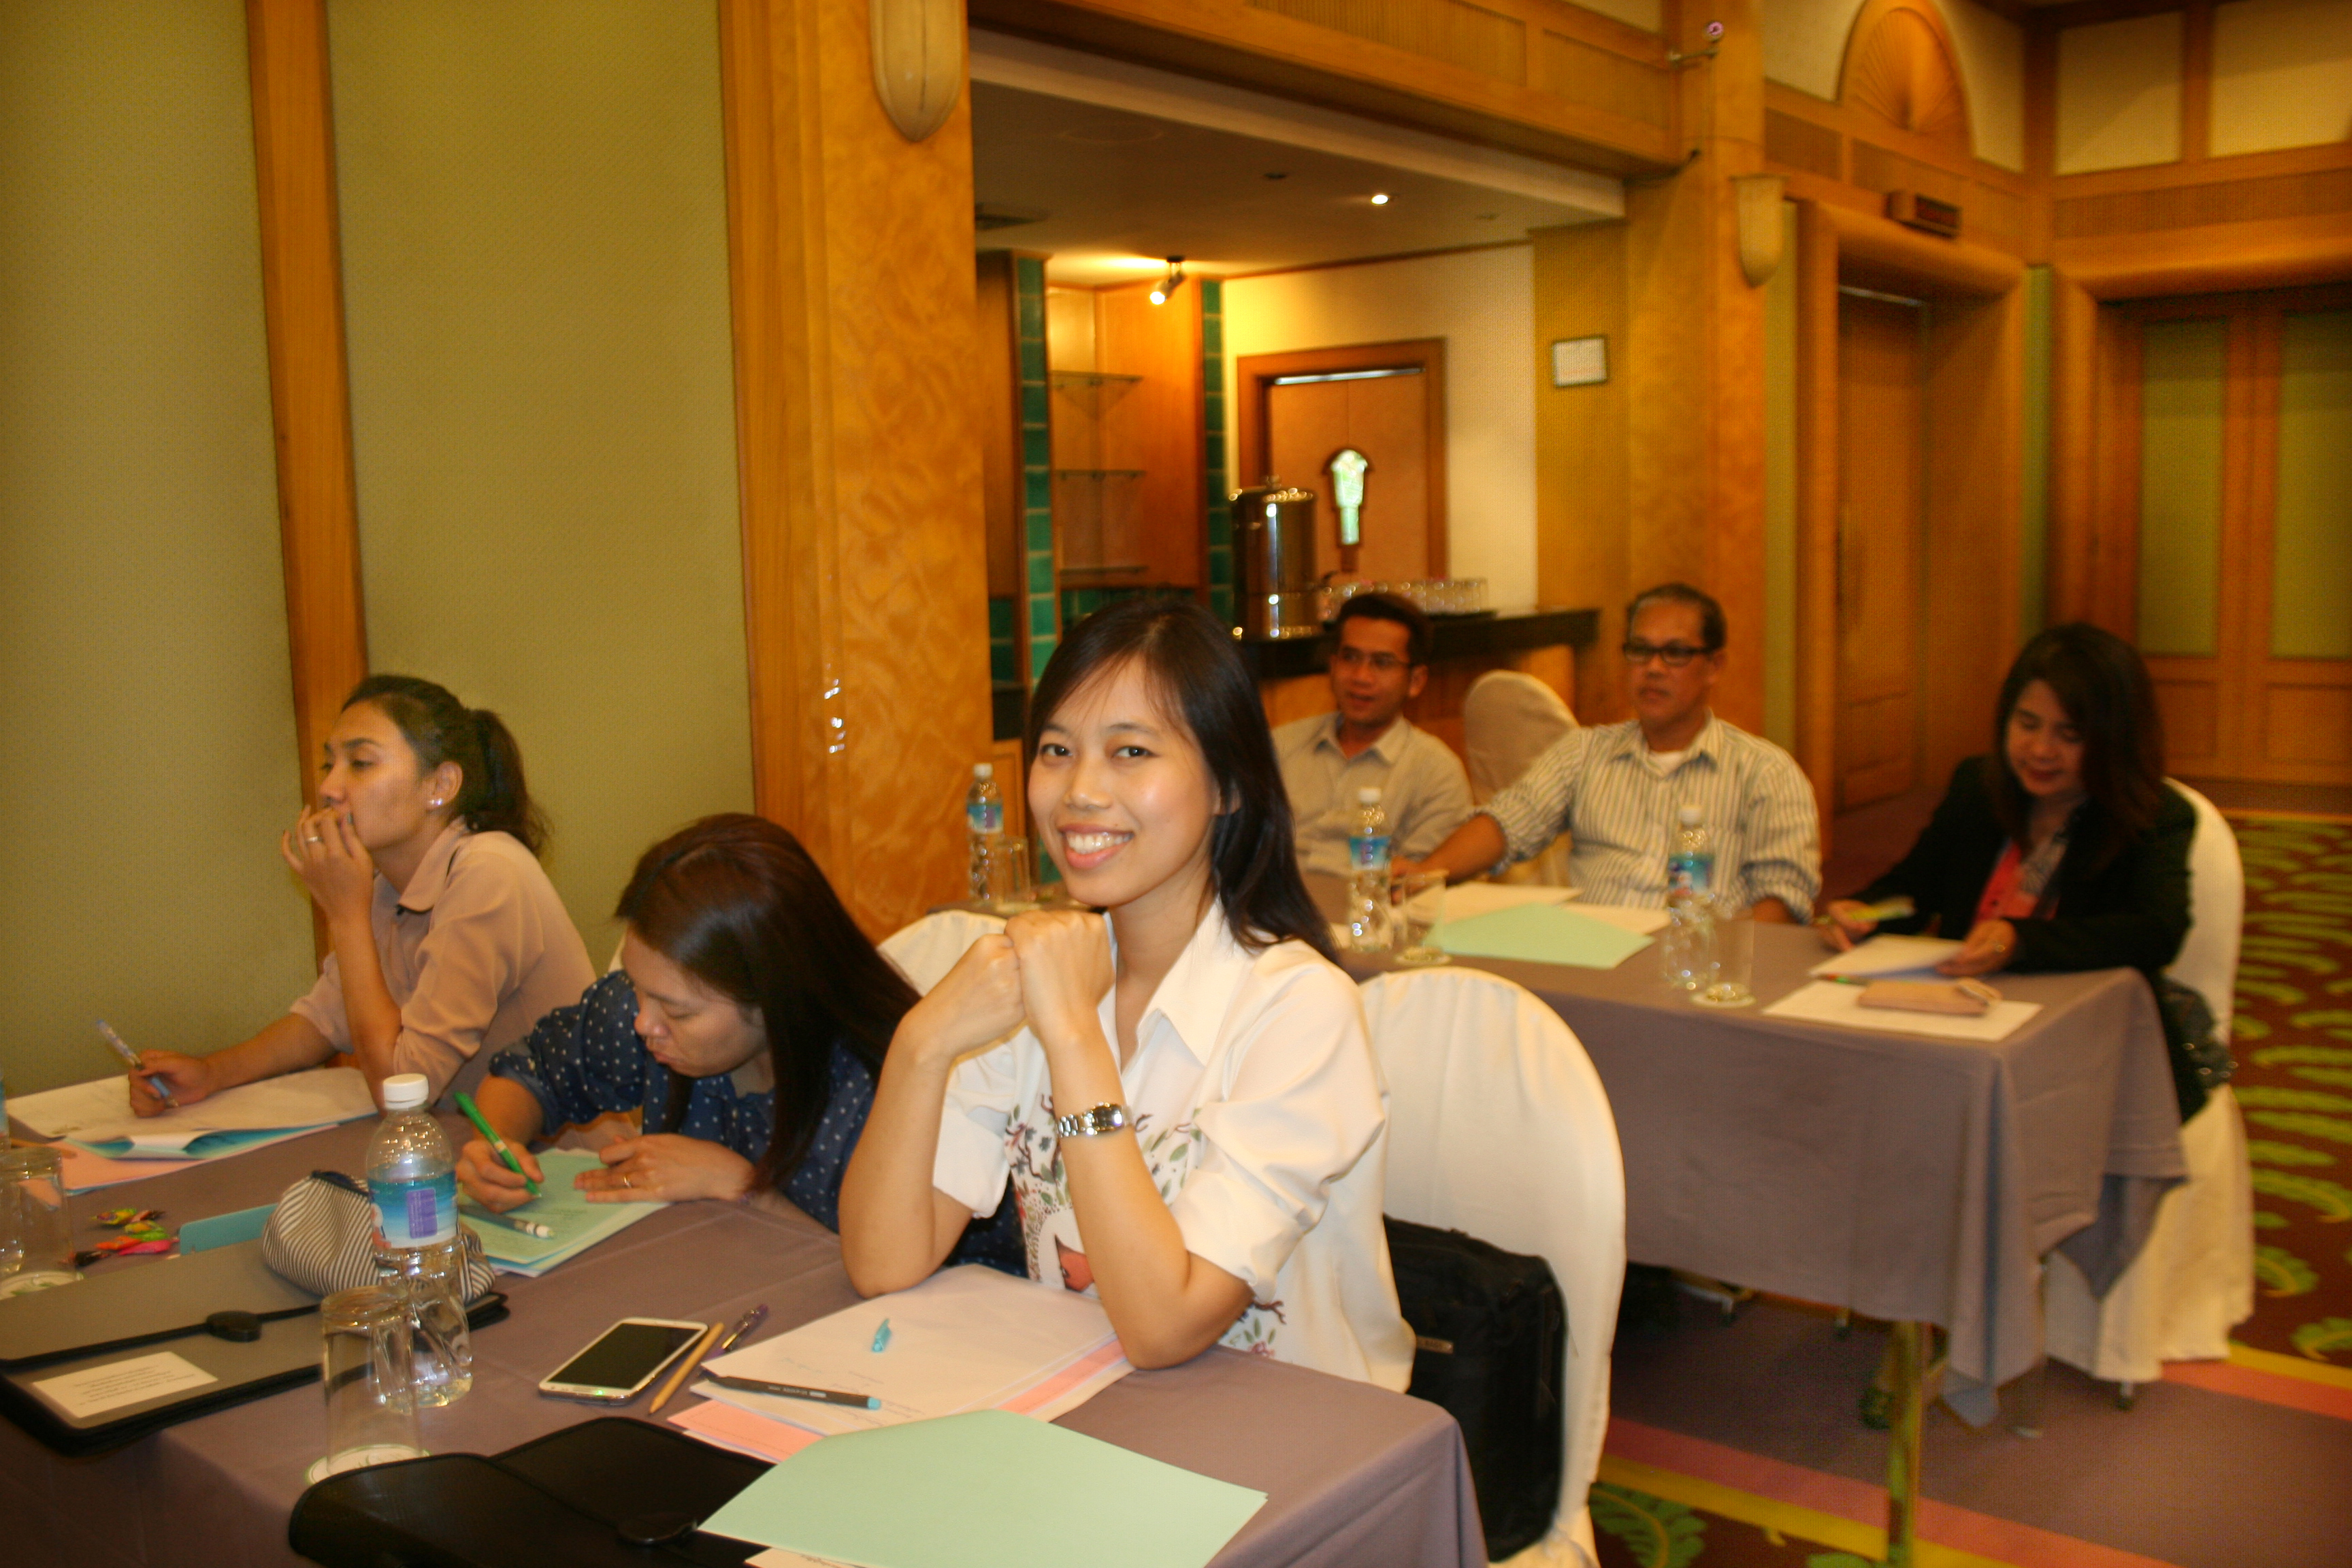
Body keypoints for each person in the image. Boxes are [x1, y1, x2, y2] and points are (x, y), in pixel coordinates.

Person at [838, 598, 1414, 1388]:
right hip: (1085, 1404)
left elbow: (1164, 1325)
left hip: (1290, 1429)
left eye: (1131, 751)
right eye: (1057, 750)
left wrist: (1075, 1035)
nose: (1079, 791)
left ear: (1228, 784)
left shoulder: (1300, 1010)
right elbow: (882, 1263)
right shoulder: (1043, 972)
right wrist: (922, 1043)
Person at [455, 814, 1023, 1269]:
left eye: (678, 1011)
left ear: (773, 1000)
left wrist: (739, 1185)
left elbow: (888, 1270)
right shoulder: (644, 1014)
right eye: (637, 987)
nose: (644, 1023)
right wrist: (496, 1144)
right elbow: (536, 1069)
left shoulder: (882, 1083)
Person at [131, 676, 594, 1112]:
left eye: (360, 763)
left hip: (559, 1162)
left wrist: (346, 917)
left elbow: (402, 1091)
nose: (329, 788)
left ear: (440, 786)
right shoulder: (386, 886)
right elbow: (323, 1020)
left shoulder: (490, 872)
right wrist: (211, 1073)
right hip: (463, 1151)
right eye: (329, 764)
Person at [1818, 623, 2200, 1102]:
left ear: (2112, 739)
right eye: (2027, 724)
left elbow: (2157, 931)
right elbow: (1915, 891)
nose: (2040, 750)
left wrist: (2021, 941)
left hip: (2089, 1047)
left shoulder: (2151, 816)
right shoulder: (1978, 786)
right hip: (1966, 1031)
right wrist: (1868, 912)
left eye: (2069, 735)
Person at [1401, 583, 1820, 921]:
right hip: (1594, 955)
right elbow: (1509, 822)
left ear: (1714, 666)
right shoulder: (1584, 752)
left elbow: (1783, 896)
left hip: (1697, 963)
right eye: (1640, 650)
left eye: (1675, 653)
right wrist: (1426, 872)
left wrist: (1716, 954)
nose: (1653, 668)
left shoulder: (1765, 772)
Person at [1271, 593, 1473, 876]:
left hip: (1366, 902)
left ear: (1415, 681)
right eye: (1350, 658)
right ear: (1333, 665)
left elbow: (1418, 882)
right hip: (1273, 901)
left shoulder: (1436, 773)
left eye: (1382, 663)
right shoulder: (1280, 746)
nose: (1361, 677)